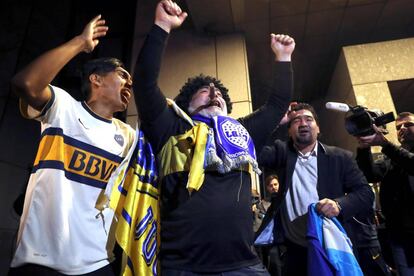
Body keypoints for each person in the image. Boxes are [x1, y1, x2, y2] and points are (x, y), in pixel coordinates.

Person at [133, 0, 294, 274]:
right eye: (205, 90)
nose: (214, 93)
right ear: (187, 103)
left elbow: (278, 104)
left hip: (245, 265)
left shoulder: (241, 132)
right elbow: (145, 82)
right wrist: (161, 27)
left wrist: (283, 58)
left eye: (218, 92)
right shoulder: (170, 127)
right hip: (183, 268)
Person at [9, 15, 135, 275]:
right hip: (41, 259)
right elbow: (26, 83)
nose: (129, 83)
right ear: (96, 80)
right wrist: (80, 42)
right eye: (122, 75)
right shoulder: (62, 108)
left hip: (98, 262)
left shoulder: (128, 136)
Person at [257, 103, 374, 275]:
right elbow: (249, 146)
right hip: (294, 251)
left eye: (309, 119)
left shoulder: (340, 157)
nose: (303, 123)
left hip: (330, 247)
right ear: (289, 130)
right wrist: (276, 120)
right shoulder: (280, 153)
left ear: (318, 128)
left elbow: (366, 194)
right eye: (296, 120)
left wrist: (339, 204)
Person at [356, 112, 414, 276]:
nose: (402, 128)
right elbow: (369, 174)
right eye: (398, 127)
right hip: (400, 235)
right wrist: (363, 147)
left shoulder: (394, 153)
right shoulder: (391, 158)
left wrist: (384, 143)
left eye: (408, 124)